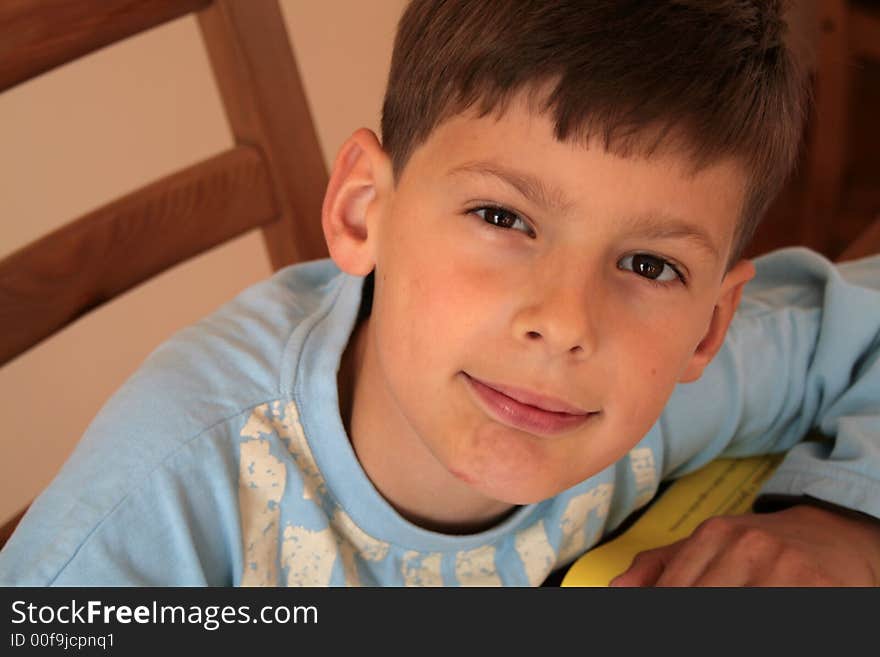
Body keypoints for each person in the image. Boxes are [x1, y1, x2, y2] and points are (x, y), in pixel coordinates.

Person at [1, 0, 879, 587]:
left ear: (709, 328)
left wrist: (847, 525)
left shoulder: (662, 394)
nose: (566, 323)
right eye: (503, 215)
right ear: (363, 211)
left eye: (650, 266)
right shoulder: (170, 494)